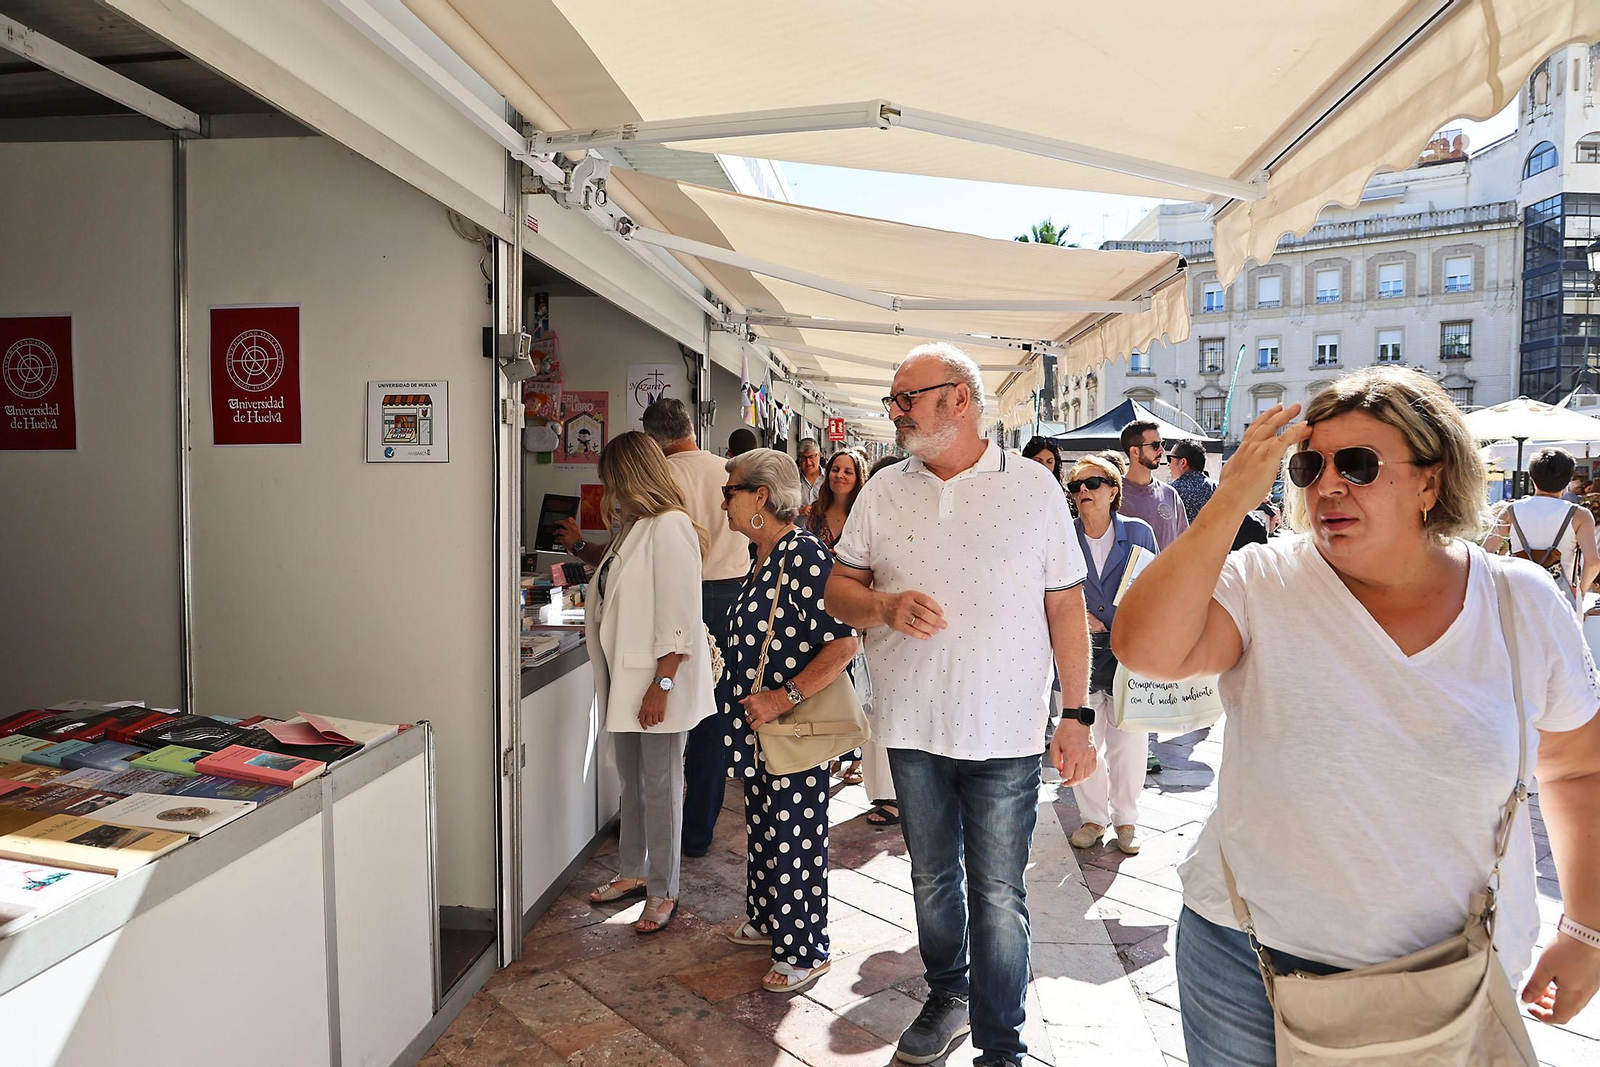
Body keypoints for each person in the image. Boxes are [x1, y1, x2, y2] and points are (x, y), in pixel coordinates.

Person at [1112, 367, 1600, 1065]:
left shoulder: (1520, 601)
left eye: (1359, 464)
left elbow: (1581, 767)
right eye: (1311, 465)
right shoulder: (1265, 579)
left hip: (1449, 972)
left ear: (1431, 481)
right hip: (1246, 960)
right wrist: (1228, 502)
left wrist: (1586, 929)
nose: (1327, 485)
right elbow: (1145, 648)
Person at [825, 342, 1095, 1067]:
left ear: (960, 399)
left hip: (1006, 730)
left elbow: (1066, 608)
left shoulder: (1034, 487)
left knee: (1000, 890)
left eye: (906, 397)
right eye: (894, 399)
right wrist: (882, 603)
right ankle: (948, 992)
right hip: (912, 725)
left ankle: (1001, 1041)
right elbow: (837, 593)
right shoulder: (883, 489)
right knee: (931, 876)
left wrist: (1077, 714)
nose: (895, 411)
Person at [558, 398, 751, 858]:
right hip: (729, 593)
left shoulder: (663, 505)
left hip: (679, 607)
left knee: (667, 745)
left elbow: (666, 600)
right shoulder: (727, 471)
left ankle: (659, 857)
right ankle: (696, 832)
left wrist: (662, 679)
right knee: (712, 720)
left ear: (655, 442)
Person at [717, 448, 858, 994]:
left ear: (759, 497)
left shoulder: (801, 555)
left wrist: (783, 696)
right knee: (765, 827)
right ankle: (770, 918)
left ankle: (804, 949)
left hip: (790, 723)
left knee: (795, 832)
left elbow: (843, 643)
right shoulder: (765, 554)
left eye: (728, 491)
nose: (721, 501)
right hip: (761, 727)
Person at [581, 432, 716, 935]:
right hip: (626, 680)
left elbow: (679, 614)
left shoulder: (671, 526)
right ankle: (633, 871)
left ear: (630, 476)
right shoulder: (633, 529)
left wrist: (661, 683)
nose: (606, 492)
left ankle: (664, 888)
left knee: (661, 786)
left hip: (656, 682)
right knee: (632, 783)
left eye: (611, 481)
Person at [1064, 454, 1157, 856]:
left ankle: (1126, 819)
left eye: (1093, 483)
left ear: (1113, 490)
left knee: (1129, 742)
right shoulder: (1062, 535)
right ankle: (1092, 818)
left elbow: (1156, 586)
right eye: (1076, 486)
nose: (1084, 491)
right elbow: (1043, 587)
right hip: (1076, 652)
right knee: (1082, 739)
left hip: (1128, 651)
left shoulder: (1139, 533)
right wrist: (1076, 613)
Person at [1485, 447, 1600, 614]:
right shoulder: (1579, 515)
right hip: (1562, 599)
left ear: (1532, 478)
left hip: (1517, 598)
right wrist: (1580, 592)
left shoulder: (1510, 511)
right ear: (1568, 480)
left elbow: (1484, 554)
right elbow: (1593, 563)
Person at [1117, 420, 1189, 550]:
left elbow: (1184, 544)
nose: (1162, 450)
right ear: (1135, 451)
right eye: (1155, 445)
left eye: (1162, 444)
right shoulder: (1113, 494)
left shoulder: (1170, 494)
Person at [805, 447, 869, 551]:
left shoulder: (866, 515)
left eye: (847, 472)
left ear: (858, 478)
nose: (839, 475)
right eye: (835, 470)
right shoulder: (816, 511)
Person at [1167, 439, 1216, 523]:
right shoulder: (1217, 488)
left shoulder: (1173, 491)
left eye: (1170, 459)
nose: (1168, 465)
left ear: (1183, 462)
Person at [796, 438, 824, 508]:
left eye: (811, 457)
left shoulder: (829, 478)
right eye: (803, 458)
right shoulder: (792, 478)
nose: (808, 462)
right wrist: (799, 511)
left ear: (819, 455)